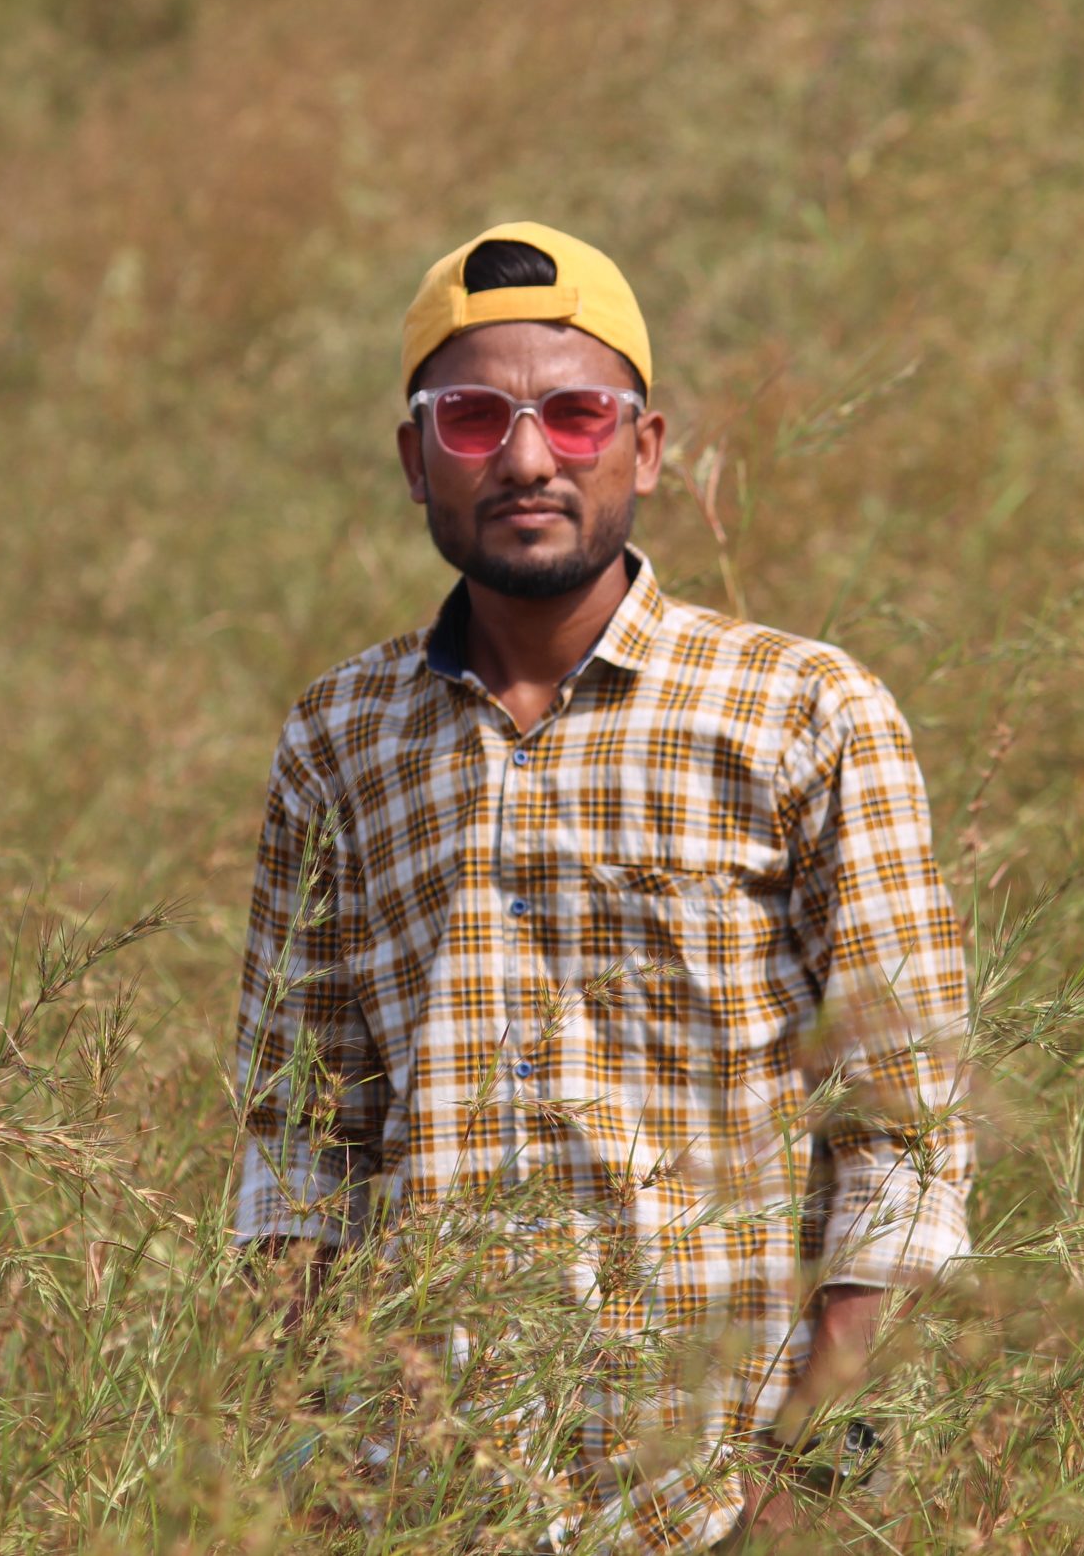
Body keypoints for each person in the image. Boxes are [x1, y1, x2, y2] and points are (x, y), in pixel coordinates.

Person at [232, 221, 973, 1552]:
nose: (525, 458)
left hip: (722, 1495)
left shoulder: (803, 712)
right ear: (414, 459)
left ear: (647, 446)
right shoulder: (340, 739)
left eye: (575, 417)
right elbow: (300, 1151)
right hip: (438, 1503)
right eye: (472, 420)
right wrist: (322, 1465)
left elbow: (905, 1142)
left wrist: (798, 1491)